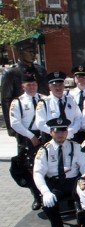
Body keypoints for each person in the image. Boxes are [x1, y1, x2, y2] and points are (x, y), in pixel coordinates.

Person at [33, 118, 85, 227]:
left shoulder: (76, 147)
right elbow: (38, 173)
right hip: (55, 183)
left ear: (67, 132)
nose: (60, 134)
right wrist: (45, 192)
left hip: (73, 181)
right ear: (51, 132)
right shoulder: (44, 150)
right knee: (48, 205)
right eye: (57, 132)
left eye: (63, 131)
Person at [9, 72, 45, 210]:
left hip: (43, 135)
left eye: (34, 84)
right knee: (30, 168)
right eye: (28, 85)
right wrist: (31, 136)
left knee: (45, 166)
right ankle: (36, 196)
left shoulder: (44, 98)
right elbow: (15, 123)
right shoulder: (17, 102)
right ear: (23, 86)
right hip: (27, 138)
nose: (32, 87)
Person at [1, 37, 48, 137]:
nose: (33, 54)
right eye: (30, 51)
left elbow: (46, 94)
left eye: (35, 51)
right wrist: (11, 128)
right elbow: (6, 101)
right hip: (23, 124)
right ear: (20, 53)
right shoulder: (12, 73)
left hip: (43, 123)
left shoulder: (40, 70)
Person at [35, 72, 82, 142]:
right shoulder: (44, 103)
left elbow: (78, 117)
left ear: (64, 85)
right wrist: (58, 134)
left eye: (60, 85)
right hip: (51, 139)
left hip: (71, 137)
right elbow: (40, 124)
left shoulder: (71, 100)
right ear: (50, 87)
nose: (58, 88)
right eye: (55, 85)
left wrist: (71, 131)